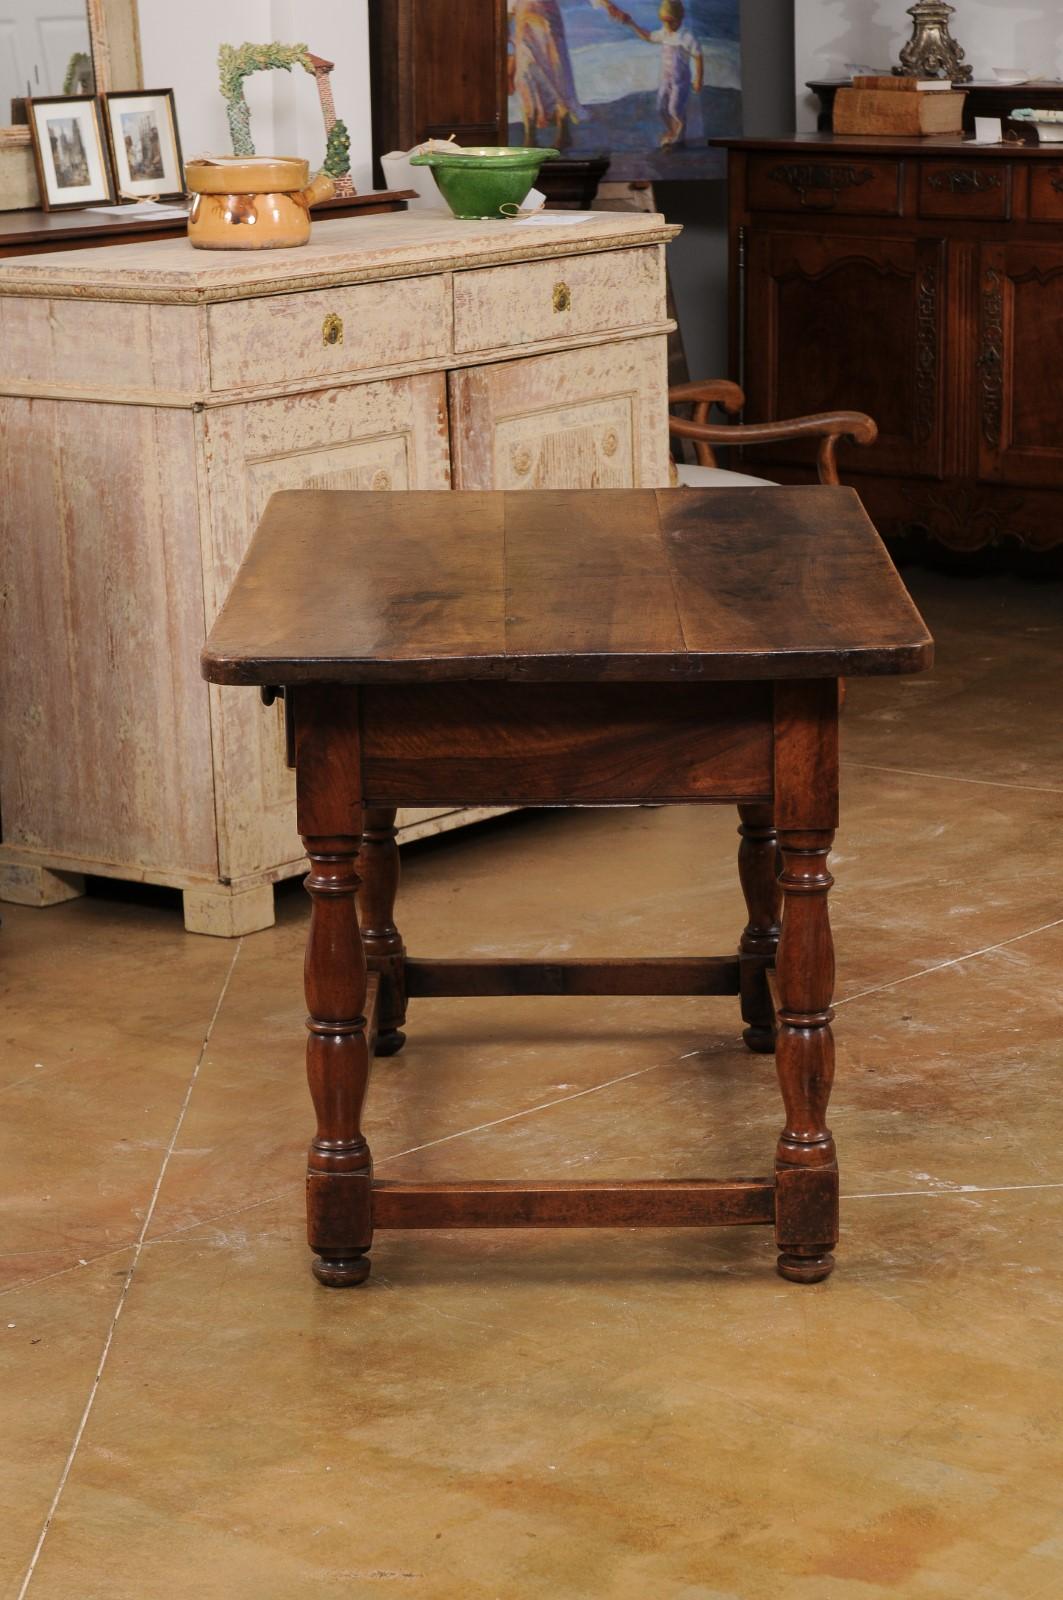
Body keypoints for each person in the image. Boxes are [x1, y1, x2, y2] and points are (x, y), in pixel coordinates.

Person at [605, 0, 704, 149]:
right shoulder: (664, 33)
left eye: (670, 21)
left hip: (680, 82)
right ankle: (672, 131)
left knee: (675, 109)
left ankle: (680, 133)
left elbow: (698, 56)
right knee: (661, 108)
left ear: (680, 18)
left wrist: (699, 79)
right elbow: (648, 36)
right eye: (664, 21)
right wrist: (631, 23)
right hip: (666, 80)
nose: (667, 25)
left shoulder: (686, 36)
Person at [508, 0, 585, 150]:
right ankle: (530, 136)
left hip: (548, 27)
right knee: (525, 78)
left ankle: (564, 132)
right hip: (524, 30)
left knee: (557, 77)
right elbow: (508, 11)